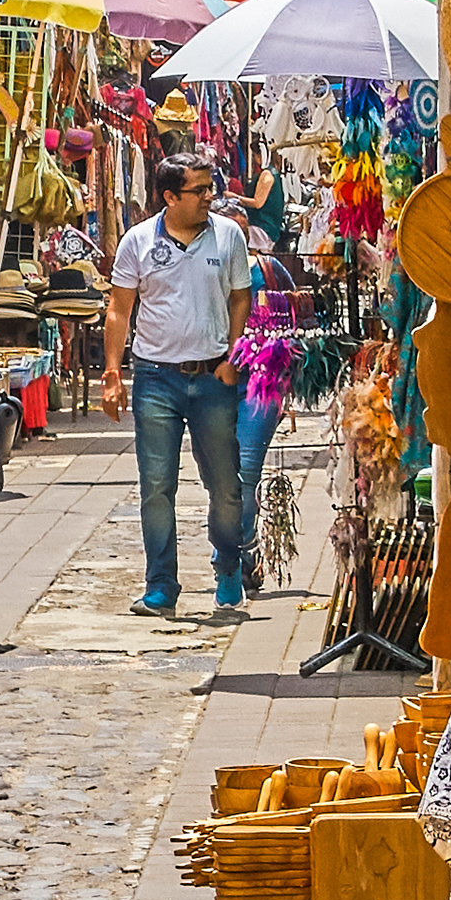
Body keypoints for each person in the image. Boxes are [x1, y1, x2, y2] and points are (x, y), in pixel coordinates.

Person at [106, 156, 281, 614]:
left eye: (210, 188)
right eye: (199, 190)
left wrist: (233, 355)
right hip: (154, 379)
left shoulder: (228, 236)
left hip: (213, 378)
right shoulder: (138, 242)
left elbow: (241, 296)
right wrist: (111, 372)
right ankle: (161, 584)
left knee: (226, 485)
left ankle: (228, 565)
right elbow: (120, 308)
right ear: (169, 196)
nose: (210, 196)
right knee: (156, 485)